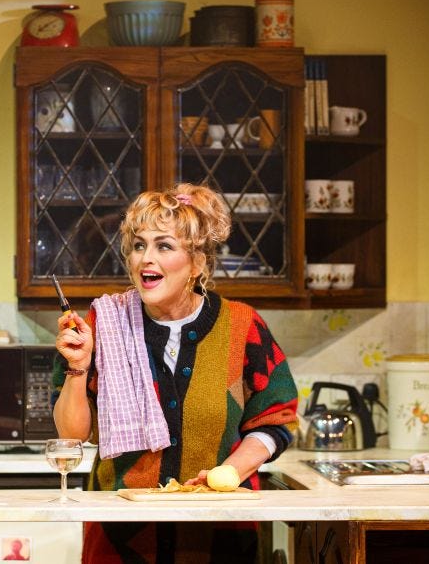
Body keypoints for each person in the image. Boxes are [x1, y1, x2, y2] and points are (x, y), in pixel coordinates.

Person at [53, 182, 298, 563]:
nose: (145, 259)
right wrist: (78, 366)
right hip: (121, 539)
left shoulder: (241, 326)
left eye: (163, 246)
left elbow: (275, 419)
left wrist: (228, 474)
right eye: (138, 246)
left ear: (197, 263)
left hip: (220, 536)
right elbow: (71, 435)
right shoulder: (102, 325)